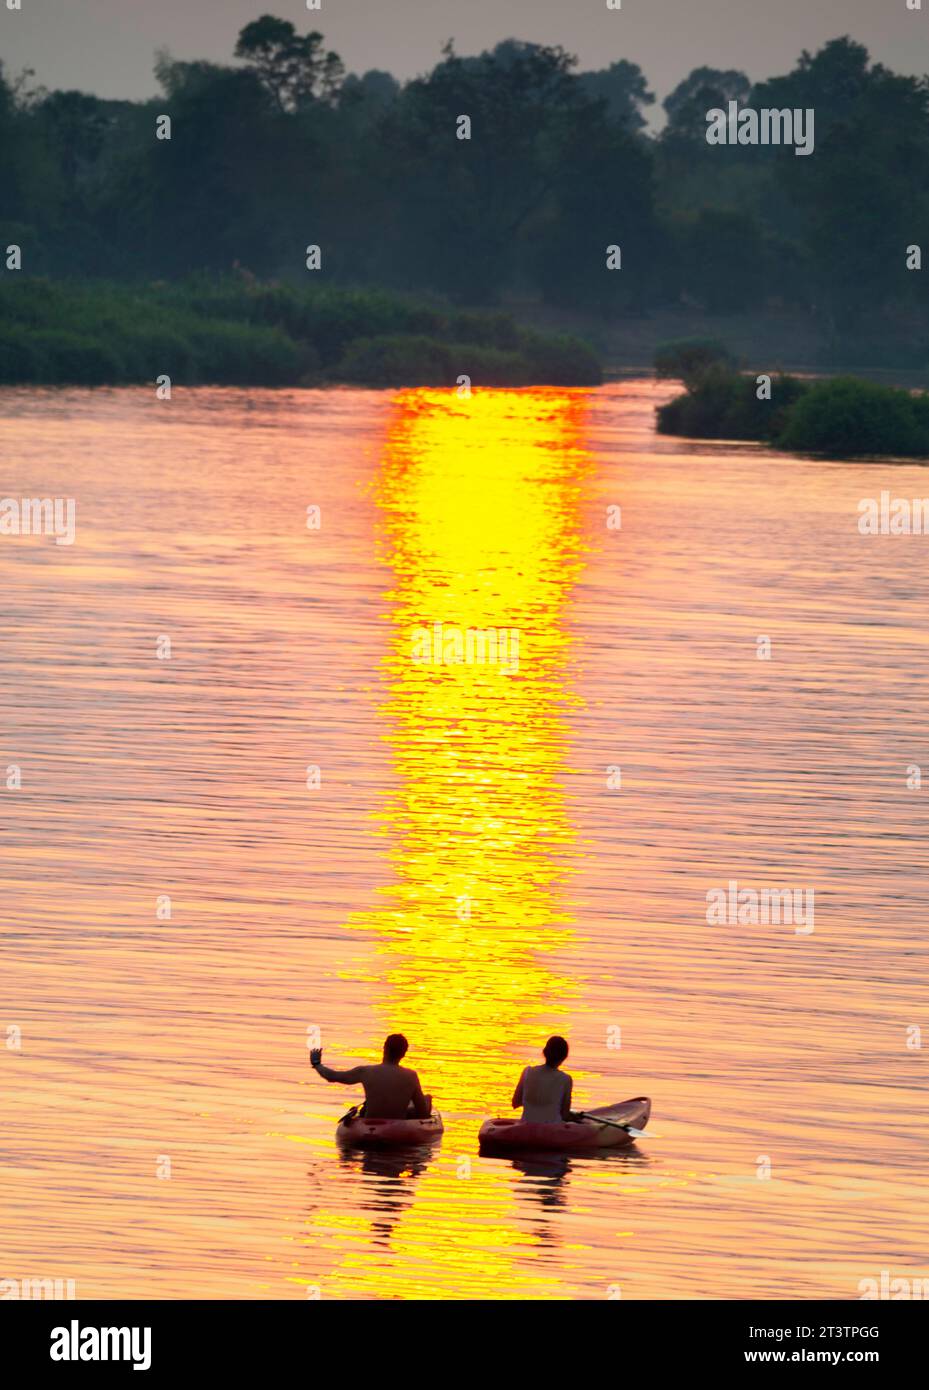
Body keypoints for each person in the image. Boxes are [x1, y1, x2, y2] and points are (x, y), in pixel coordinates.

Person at [309, 1033, 432, 1119]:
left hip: (369, 1124)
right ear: (403, 1054)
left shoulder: (366, 1072)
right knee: (427, 1099)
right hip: (397, 1126)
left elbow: (332, 1076)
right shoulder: (411, 1076)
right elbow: (423, 1113)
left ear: (384, 1048)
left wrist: (317, 1064)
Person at [512, 1036, 575, 1123]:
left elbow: (515, 1103)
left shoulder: (527, 1072)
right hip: (552, 1130)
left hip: (526, 1126)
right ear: (564, 1057)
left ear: (545, 1052)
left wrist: (535, 1101)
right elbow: (564, 1115)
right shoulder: (565, 1079)